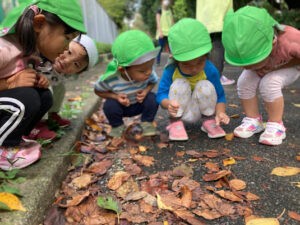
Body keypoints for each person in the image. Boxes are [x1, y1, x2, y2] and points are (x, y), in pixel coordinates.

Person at [0, 0, 85, 170]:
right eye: (67, 38)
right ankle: (4, 149)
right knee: (27, 98)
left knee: (44, 96)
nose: (67, 47)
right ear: (39, 24)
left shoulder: (26, 50)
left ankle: (17, 135)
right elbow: (13, 83)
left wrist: (35, 80)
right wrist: (9, 83)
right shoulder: (4, 49)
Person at [222, 6, 300, 146]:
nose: (245, 68)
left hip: (290, 66)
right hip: (266, 66)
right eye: (242, 64)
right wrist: (256, 65)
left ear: (272, 42)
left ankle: (276, 125)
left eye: (251, 63)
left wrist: (279, 66)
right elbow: (250, 67)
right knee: (244, 81)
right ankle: (253, 120)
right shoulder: (250, 52)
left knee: (269, 83)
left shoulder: (291, 40)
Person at [156, 18, 230, 141]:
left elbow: (219, 95)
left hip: (200, 109)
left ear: (206, 56)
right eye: (187, 64)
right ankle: (175, 123)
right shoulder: (171, 69)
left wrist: (220, 112)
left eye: (200, 62)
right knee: (180, 83)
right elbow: (161, 94)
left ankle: (208, 121)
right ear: (175, 59)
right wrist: (168, 104)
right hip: (179, 109)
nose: (194, 68)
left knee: (205, 85)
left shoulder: (209, 69)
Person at [23, 34, 99, 141]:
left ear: (79, 72)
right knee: (46, 90)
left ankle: (52, 114)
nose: (67, 61)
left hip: (42, 89)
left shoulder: (64, 71)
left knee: (60, 88)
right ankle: (36, 125)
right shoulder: (44, 57)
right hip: (28, 93)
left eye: (76, 64)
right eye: (68, 52)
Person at [94, 30, 160, 138]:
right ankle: (117, 127)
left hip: (139, 104)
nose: (149, 72)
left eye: (151, 67)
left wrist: (145, 91)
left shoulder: (148, 73)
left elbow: (153, 82)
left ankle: (147, 124)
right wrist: (115, 96)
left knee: (153, 99)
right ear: (122, 70)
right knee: (109, 105)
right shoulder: (111, 79)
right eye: (142, 71)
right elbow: (97, 90)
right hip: (122, 107)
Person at [196, 0, 235, 86]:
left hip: (204, 12)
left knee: (207, 45)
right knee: (217, 44)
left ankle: (204, 76)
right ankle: (216, 77)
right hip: (217, 11)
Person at [155, 0, 174, 65]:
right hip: (162, 33)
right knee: (160, 48)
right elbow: (158, 22)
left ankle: (173, 61)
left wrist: (173, 30)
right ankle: (158, 62)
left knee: (172, 47)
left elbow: (172, 22)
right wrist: (160, 32)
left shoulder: (170, 11)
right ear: (162, 1)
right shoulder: (159, 10)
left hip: (169, 32)